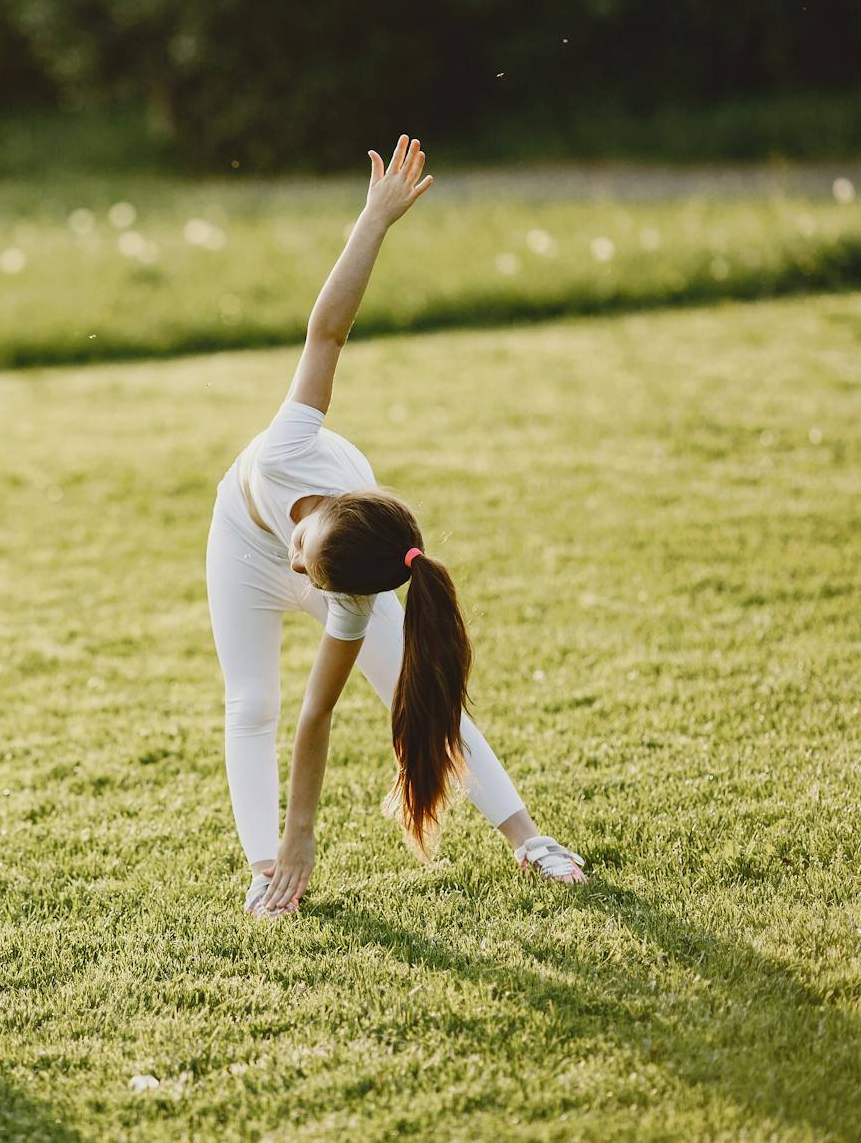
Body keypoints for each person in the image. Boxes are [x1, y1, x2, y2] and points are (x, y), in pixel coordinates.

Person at [207, 136, 586, 918]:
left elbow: (321, 713)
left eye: (312, 578)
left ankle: (528, 837)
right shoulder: (289, 452)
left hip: (352, 558)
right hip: (240, 539)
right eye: (308, 565)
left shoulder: (356, 577)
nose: (302, 576)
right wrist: (373, 222)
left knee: (414, 690)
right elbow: (327, 332)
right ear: (317, 522)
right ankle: (263, 870)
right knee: (250, 704)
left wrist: (309, 822)